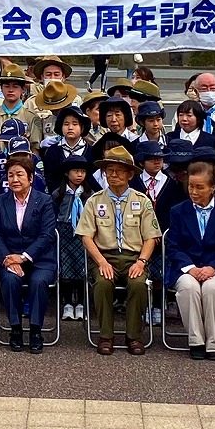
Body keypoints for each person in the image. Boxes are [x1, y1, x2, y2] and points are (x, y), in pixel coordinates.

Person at [77, 146, 161, 356]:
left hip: (134, 257)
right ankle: (106, 335)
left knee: (138, 284)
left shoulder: (142, 201)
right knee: (103, 283)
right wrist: (101, 262)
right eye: (109, 170)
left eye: (119, 170)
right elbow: (86, 237)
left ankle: (133, 336)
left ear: (130, 174)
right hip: (104, 257)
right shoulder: (94, 201)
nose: (113, 175)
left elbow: (152, 237)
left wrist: (141, 262)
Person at [166, 162, 215, 360]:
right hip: (186, 268)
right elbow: (173, 246)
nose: (194, 191)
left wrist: (213, 267)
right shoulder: (178, 211)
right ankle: (196, 340)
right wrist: (190, 268)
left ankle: (214, 342)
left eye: (200, 187)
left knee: (211, 289)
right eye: (191, 186)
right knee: (189, 288)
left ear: (212, 188)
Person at [0, 153, 59, 353]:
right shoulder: (1, 201)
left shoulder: (44, 200)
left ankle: (36, 330)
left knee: (38, 282)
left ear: (31, 178)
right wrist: (10, 260)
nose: (14, 179)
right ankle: (16, 329)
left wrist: (24, 257)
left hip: (40, 259)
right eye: (10, 175)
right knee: (10, 280)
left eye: (20, 175)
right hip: (9, 258)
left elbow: (47, 235)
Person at [54, 152, 98, 321]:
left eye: (83, 172)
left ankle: (80, 303)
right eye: (75, 171)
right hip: (64, 232)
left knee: (81, 269)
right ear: (67, 173)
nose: (80, 175)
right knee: (65, 268)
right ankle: (66, 303)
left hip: (83, 234)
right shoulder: (58, 194)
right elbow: (53, 213)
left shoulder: (90, 195)